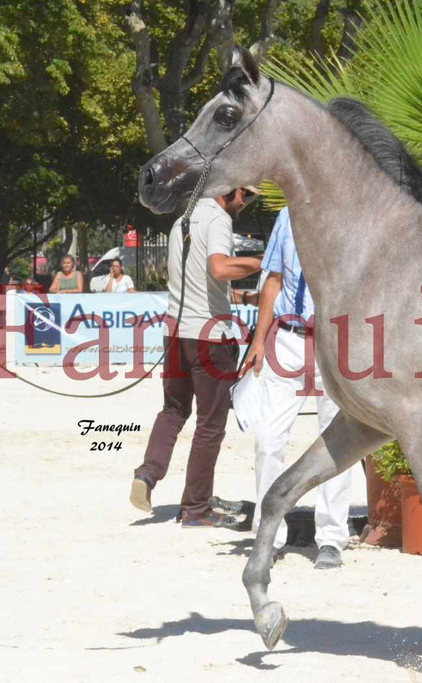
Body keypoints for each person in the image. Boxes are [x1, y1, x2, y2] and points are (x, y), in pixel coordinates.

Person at [130, 187, 262, 527]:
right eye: (245, 196)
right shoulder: (218, 220)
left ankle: (146, 475)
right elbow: (218, 269)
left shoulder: (181, 222)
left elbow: (203, 280)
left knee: (172, 411)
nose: (245, 204)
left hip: (175, 331)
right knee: (210, 425)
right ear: (229, 191)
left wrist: (246, 300)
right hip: (209, 337)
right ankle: (195, 508)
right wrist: (264, 263)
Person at [240, 207, 351, 568]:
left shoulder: (348, 211)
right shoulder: (287, 216)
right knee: (268, 439)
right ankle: (268, 534)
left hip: (334, 341)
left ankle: (331, 538)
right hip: (286, 339)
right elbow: (272, 280)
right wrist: (258, 342)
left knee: (335, 443)